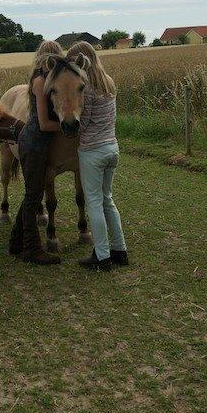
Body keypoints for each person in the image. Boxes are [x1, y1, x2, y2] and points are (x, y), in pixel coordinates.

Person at [66, 41, 127, 272]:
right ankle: (119, 250)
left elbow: (85, 122)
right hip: (112, 147)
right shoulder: (108, 81)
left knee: (93, 204)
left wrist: (68, 133)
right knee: (107, 200)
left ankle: (102, 256)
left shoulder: (87, 87)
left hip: (93, 151)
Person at [9, 40, 64, 265]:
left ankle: (15, 242)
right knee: (33, 196)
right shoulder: (40, 81)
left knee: (32, 194)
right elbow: (43, 123)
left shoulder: (47, 78)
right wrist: (67, 126)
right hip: (33, 142)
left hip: (37, 143)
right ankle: (31, 249)